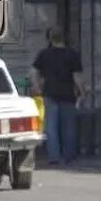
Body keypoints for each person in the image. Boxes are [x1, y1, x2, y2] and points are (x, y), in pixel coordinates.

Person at [32, 28, 84, 166]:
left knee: (51, 127)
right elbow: (77, 76)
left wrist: (37, 86)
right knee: (69, 127)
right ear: (64, 38)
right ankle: (68, 156)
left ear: (50, 39)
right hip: (68, 94)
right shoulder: (72, 54)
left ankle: (54, 156)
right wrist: (82, 91)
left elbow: (34, 71)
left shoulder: (44, 54)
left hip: (49, 93)